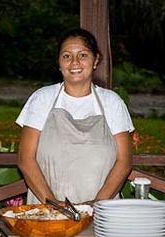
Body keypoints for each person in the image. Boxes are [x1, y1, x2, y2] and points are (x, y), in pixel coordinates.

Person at [16, 28, 134, 205]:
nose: (74, 62)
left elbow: (124, 161)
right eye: (66, 56)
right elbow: (25, 159)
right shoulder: (42, 99)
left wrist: (96, 206)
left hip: (101, 214)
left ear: (96, 60)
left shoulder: (112, 102)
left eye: (83, 55)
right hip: (47, 213)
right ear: (59, 63)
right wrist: (53, 205)